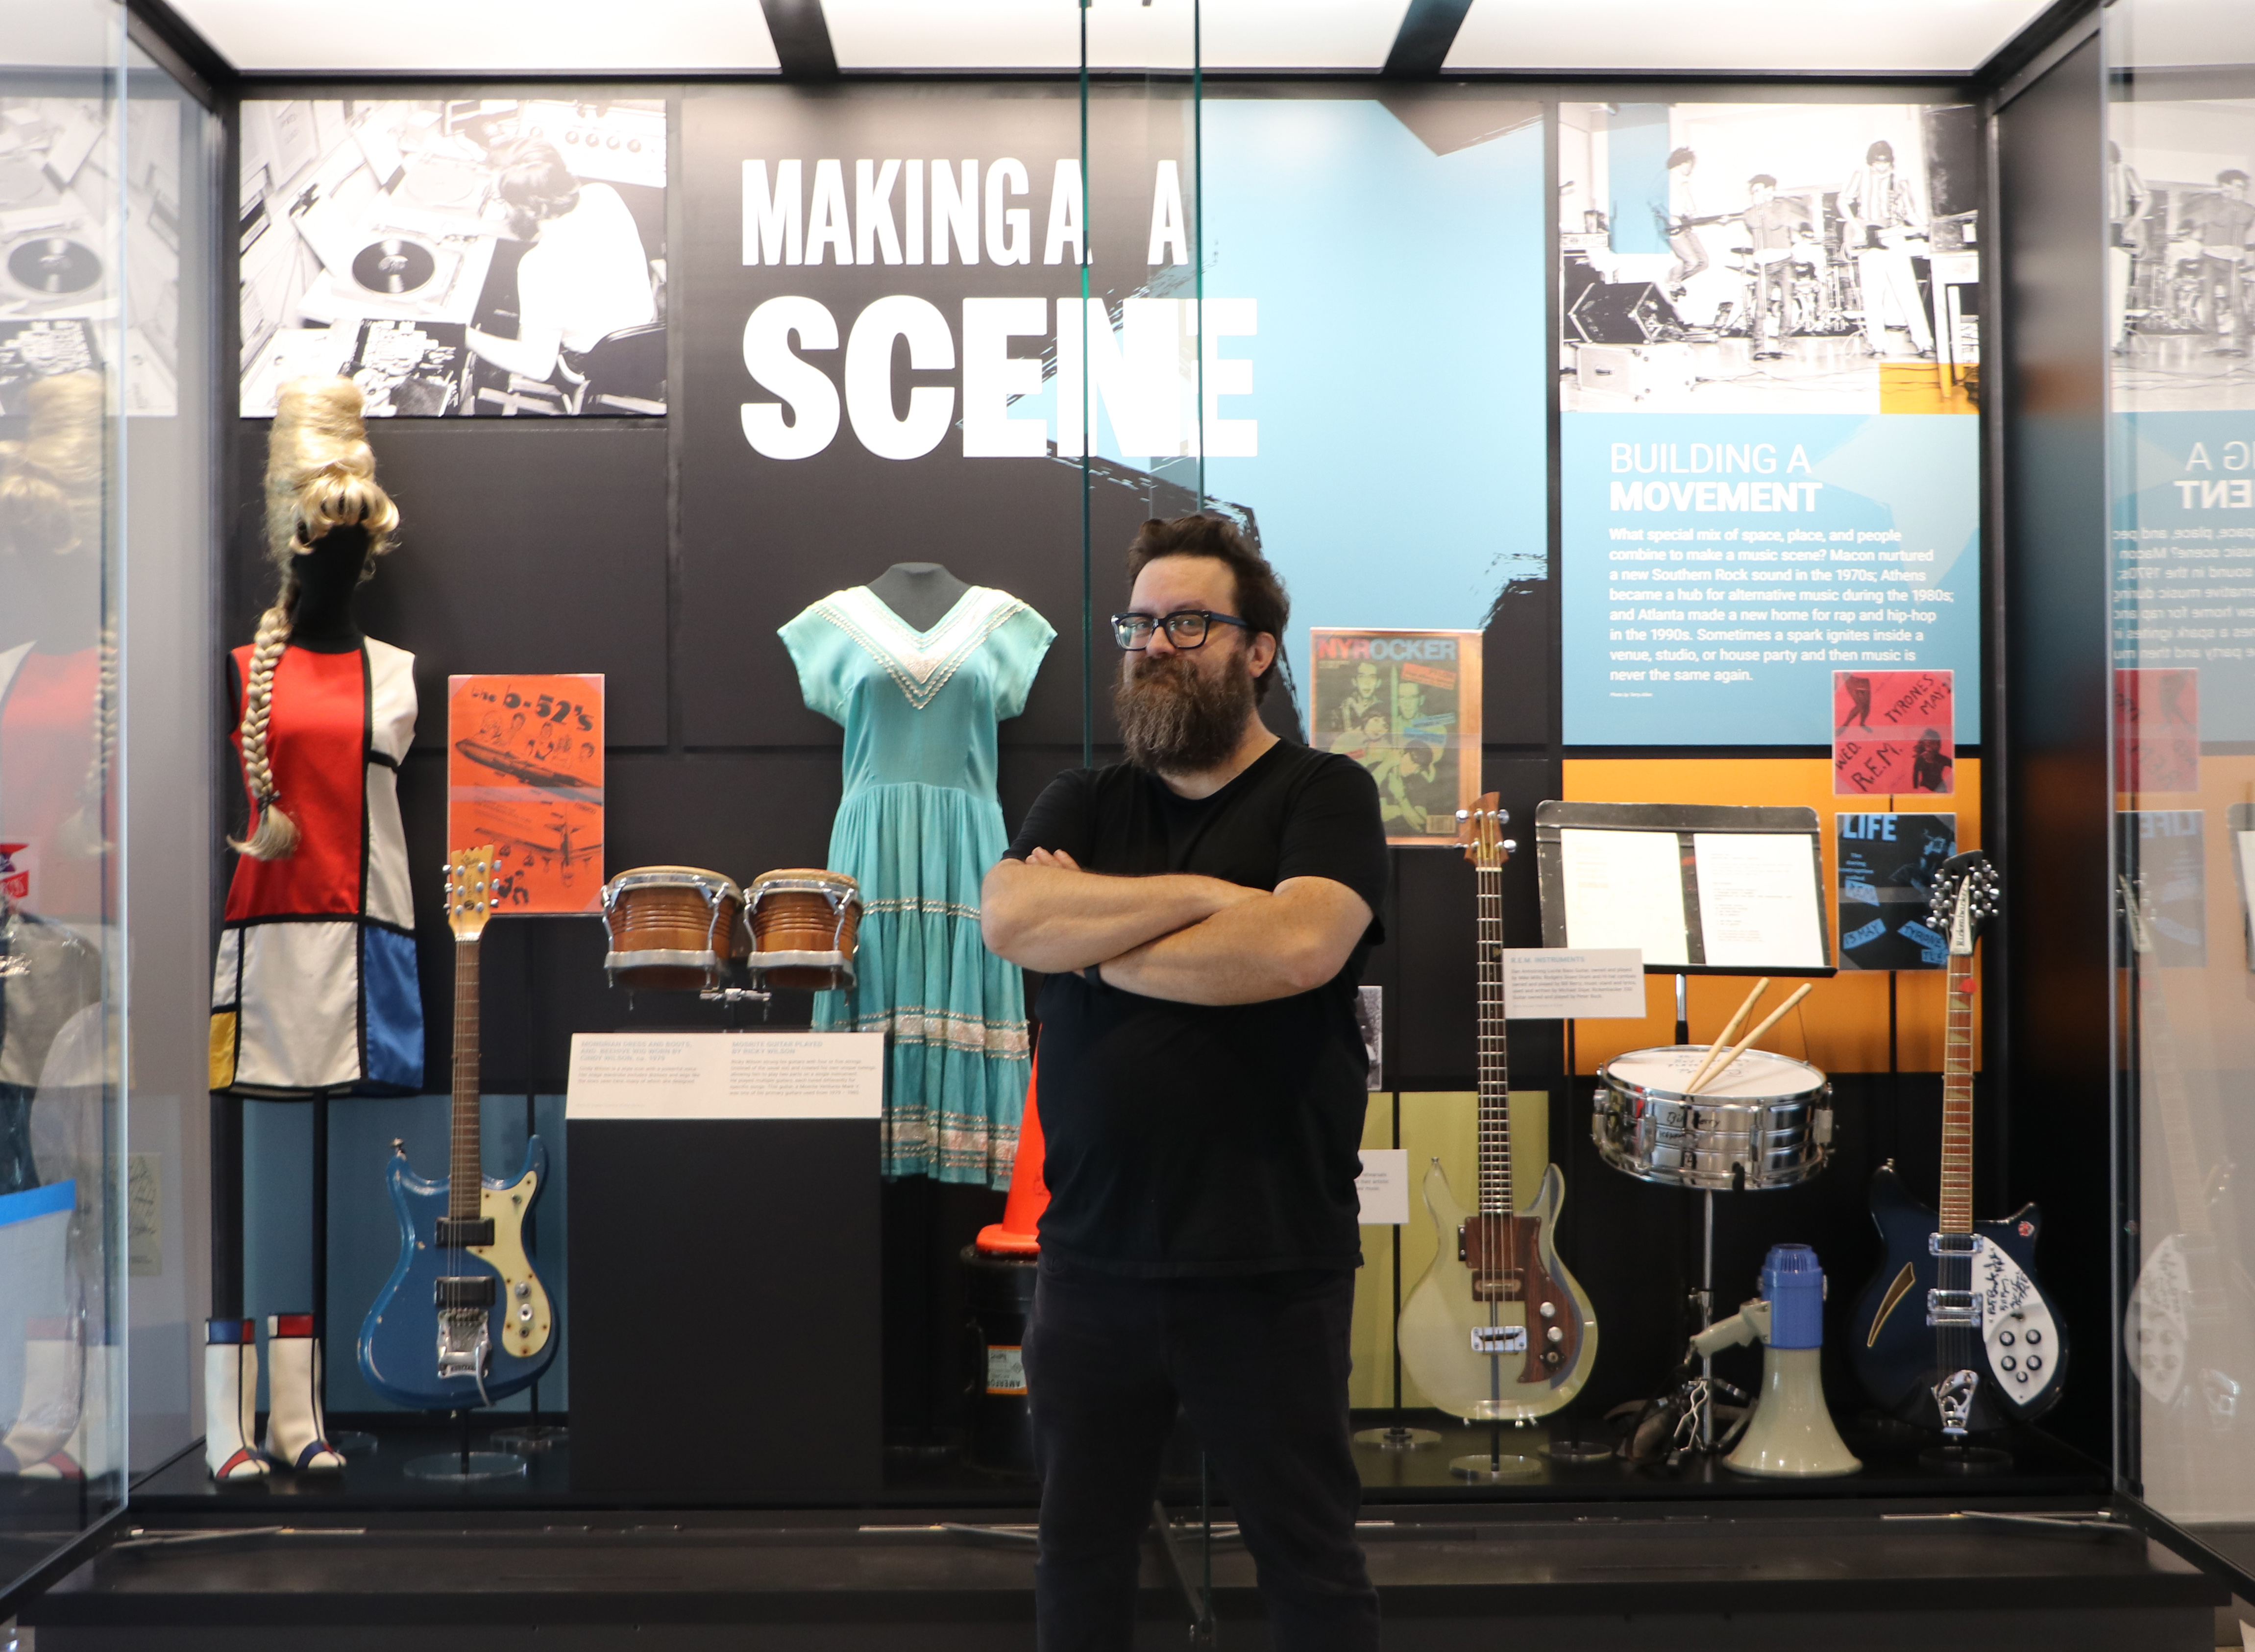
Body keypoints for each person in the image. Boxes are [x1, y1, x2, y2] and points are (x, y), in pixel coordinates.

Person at [981, 514, 1387, 1652]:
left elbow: (1301, 948)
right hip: (1091, 1265)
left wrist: (1096, 931)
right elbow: (1011, 915)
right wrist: (1213, 899)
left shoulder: (1325, 792)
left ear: (1256, 650)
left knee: (1309, 1565)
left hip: (1268, 1266)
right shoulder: (1081, 800)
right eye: (1140, 622)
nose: (1155, 643)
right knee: (1079, 1565)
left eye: (1189, 622)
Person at [465, 139, 656, 388]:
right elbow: (546, 227)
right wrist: (471, 227)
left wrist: (461, 333)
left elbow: (538, 367)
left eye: (500, 200)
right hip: (647, 334)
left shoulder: (539, 267)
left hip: (596, 365)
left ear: (525, 209)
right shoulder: (602, 194)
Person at [1840, 140, 1934, 359]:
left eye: (1884, 163)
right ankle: (1877, 345)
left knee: (1908, 293)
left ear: (1890, 161)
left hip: (1894, 237)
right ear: (1871, 162)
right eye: (1876, 163)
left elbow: (1909, 212)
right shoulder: (1860, 175)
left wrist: (1926, 229)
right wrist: (1857, 227)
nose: (1880, 167)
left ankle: (1924, 343)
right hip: (1868, 240)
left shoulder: (1900, 181)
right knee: (1872, 296)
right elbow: (1843, 201)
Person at [2172, 169, 2255, 347]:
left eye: (2242, 187)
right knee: (2208, 300)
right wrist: (2232, 201)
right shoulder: (2210, 203)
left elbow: (2245, 218)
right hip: (2210, 258)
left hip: (2234, 260)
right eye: (2237, 186)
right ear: (2225, 186)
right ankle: (2211, 337)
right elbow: (2220, 220)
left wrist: (2235, 201)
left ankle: (2242, 340)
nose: (2241, 190)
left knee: (2237, 300)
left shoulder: (2246, 207)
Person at [1740, 174, 1813, 361]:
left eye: (1760, 190)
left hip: (1784, 261)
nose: (1756, 194)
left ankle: (1785, 342)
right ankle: (1759, 344)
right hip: (1764, 263)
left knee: (1787, 304)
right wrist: (1759, 206)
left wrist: (1763, 206)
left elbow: (1774, 224)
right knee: (1761, 305)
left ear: (1770, 190)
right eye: (1754, 191)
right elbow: (1754, 223)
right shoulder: (1750, 211)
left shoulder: (1783, 207)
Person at [2108, 140, 2148, 352]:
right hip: (2094, 230)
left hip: (2117, 229)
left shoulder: (2124, 171)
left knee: (2117, 288)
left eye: (2109, 164)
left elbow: (2146, 198)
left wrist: (2133, 223)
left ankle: (2114, 340)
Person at [1664, 146, 1709, 289]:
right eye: (1691, 164)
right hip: (1674, 227)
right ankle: (1671, 281)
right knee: (1692, 261)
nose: (1692, 168)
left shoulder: (1682, 181)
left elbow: (1690, 208)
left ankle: (1674, 282)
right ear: (1684, 162)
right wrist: (1669, 217)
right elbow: (1655, 203)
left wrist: (1698, 214)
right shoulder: (1668, 178)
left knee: (1703, 262)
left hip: (1685, 224)